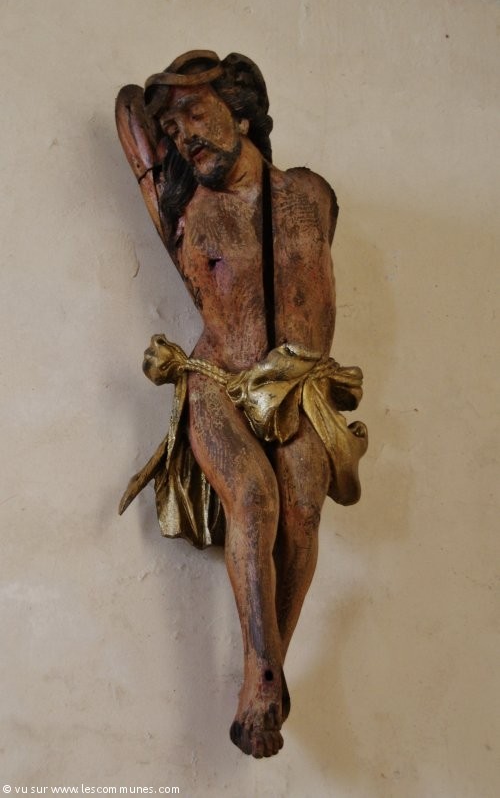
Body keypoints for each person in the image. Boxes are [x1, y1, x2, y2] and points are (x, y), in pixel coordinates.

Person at [116, 50, 367, 758]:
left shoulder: (311, 195)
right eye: (173, 128)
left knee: (304, 504)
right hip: (217, 382)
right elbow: (129, 109)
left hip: (301, 387)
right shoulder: (184, 209)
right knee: (254, 498)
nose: (184, 135)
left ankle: (269, 667)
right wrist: (166, 107)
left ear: (243, 110)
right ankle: (262, 677)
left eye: (196, 113)